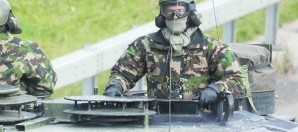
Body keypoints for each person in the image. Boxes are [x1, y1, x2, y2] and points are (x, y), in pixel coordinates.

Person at [105, 0, 246, 105]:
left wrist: (215, 89)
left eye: (180, 10)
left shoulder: (210, 46)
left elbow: (238, 80)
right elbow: (123, 74)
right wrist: (115, 86)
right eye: (169, 10)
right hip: (157, 118)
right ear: (161, 14)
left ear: (191, 13)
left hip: (203, 117)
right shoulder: (146, 45)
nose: (175, 16)